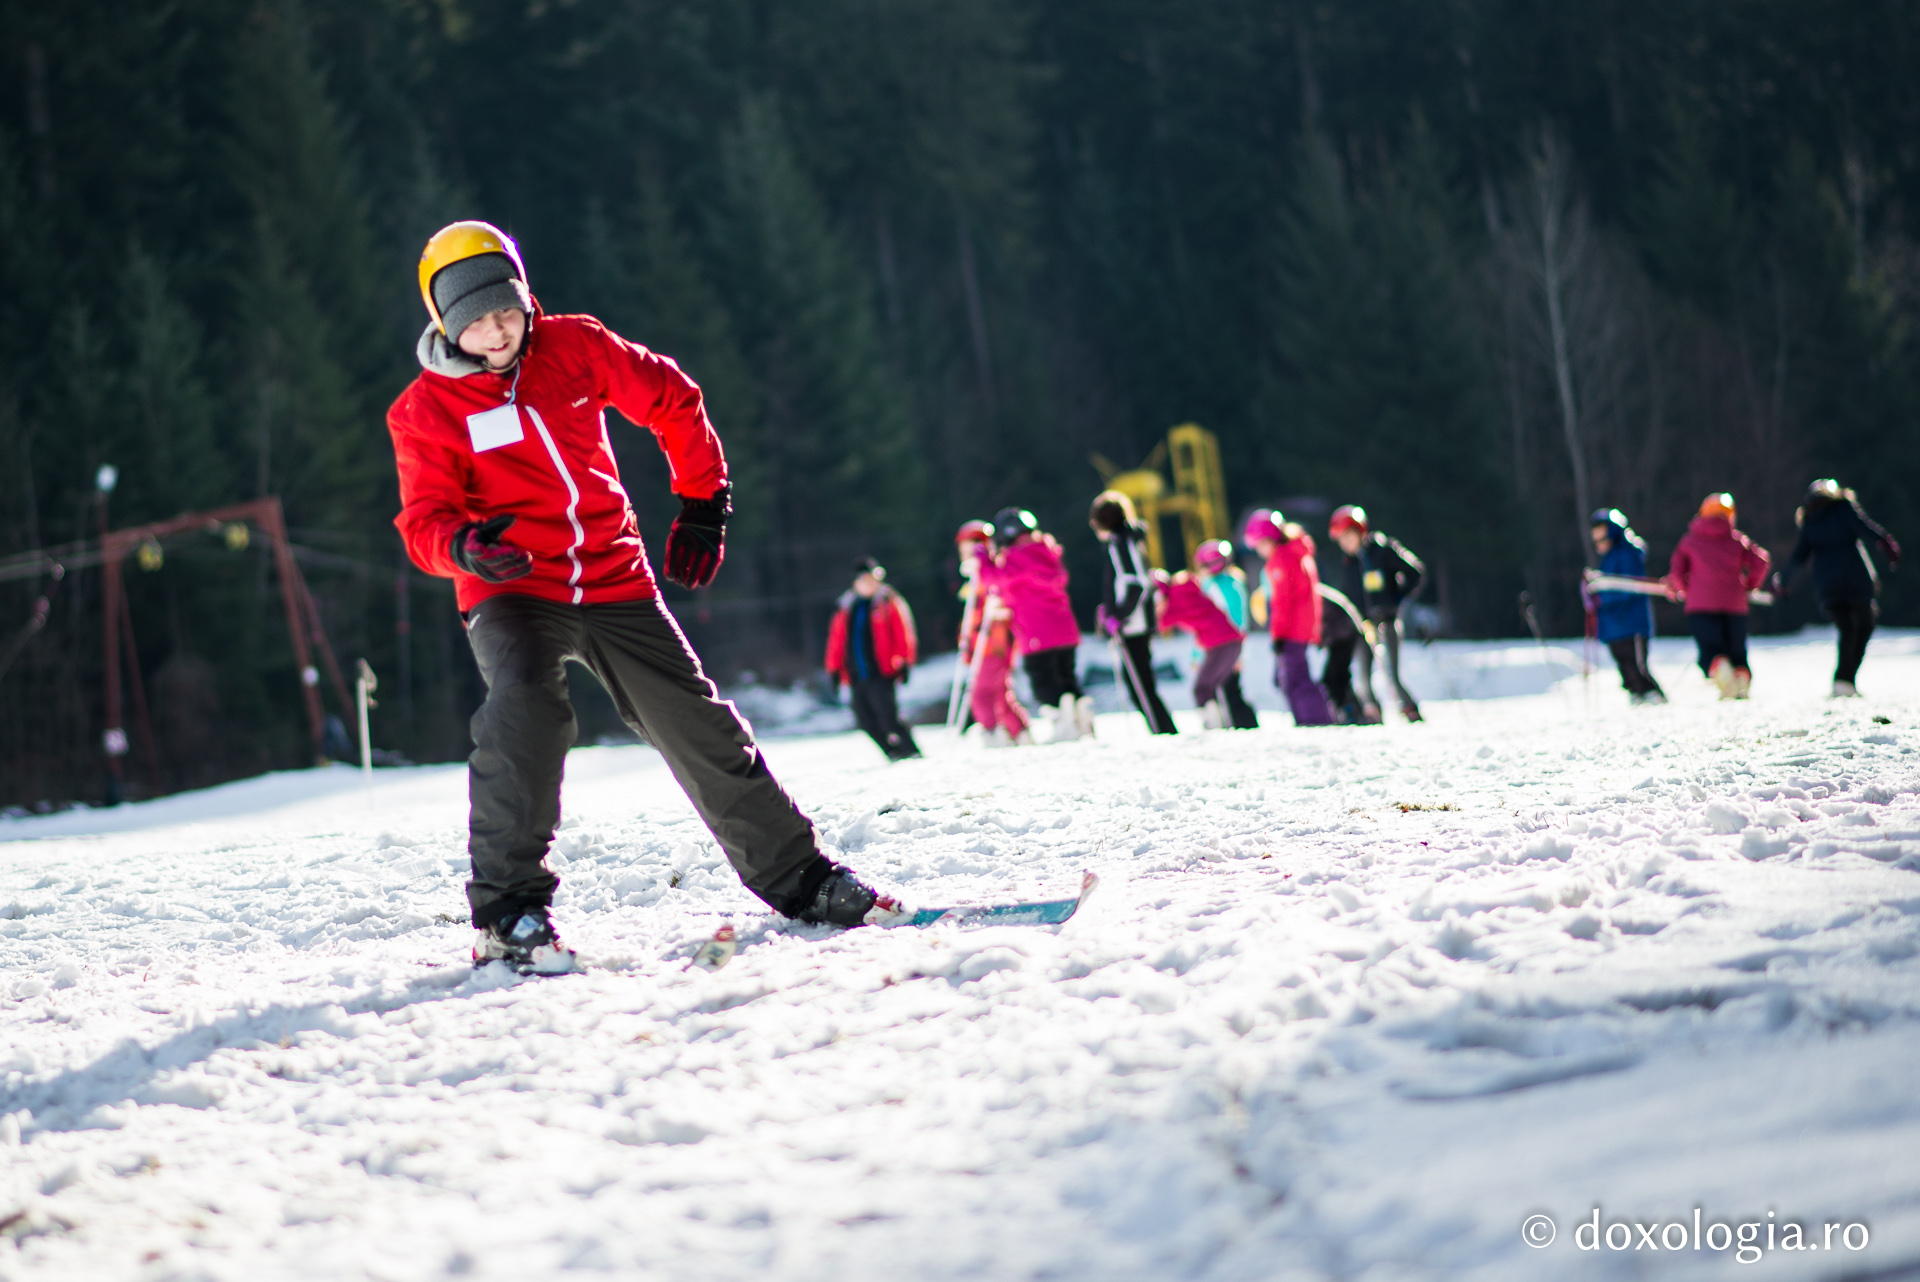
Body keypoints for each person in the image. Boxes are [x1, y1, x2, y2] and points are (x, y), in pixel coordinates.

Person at [388, 220, 894, 972]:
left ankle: (802, 879)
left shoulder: (575, 346)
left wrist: (702, 501)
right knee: (525, 710)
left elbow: (670, 397)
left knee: (695, 719)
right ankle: (507, 912)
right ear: (444, 322)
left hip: (613, 573)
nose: (496, 331)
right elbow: (423, 520)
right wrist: (463, 546)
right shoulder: (425, 410)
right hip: (513, 586)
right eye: (475, 320)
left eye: (505, 311)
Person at [978, 507, 1095, 742]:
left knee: (1043, 683)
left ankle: (1064, 725)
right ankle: (1082, 717)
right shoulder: (1046, 552)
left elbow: (992, 579)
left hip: (1037, 634)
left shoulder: (1018, 557)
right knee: (1066, 677)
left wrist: (983, 558)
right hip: (1065, 632)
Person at [1781, 479, 1901, 697]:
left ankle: (1844, 681)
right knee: (1865, 625)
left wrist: (1783, 582)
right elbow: (1865, 527)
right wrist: (1886, 543)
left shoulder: (1810, 521)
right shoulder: (1842, 508)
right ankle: (1845, 679)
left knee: (1847, 629)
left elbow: (1798, 557)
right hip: (1854, 579)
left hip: (1828, 585)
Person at [1667, 492, 1771, 699]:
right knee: (1737, 649)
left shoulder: (1690, 540)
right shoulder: (1737, 540)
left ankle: (1720, 668)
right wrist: (1750, 586)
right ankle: (1740, 679)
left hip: (1700, 605)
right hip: (1734, 604)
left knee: (1710, 648)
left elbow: (1676, 572)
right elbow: (1761, 561)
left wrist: (1686, 590)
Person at [1090, 491, 1177, 735]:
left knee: (1140, 687)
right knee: (1141, 685)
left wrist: (1118, 615)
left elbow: (1136, 584)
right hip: (1136, 622)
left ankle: (1164, 733)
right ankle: (1164, 731)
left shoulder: (1120, 544)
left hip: (1133, 625)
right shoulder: (1129, 541)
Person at [1328, 505, 1424, 722]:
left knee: (1391, 674)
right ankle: (1373, 715)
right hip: (1365, 627)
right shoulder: (1349, 564)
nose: (1345, 543)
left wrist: (1395, 600)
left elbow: (1415, 573)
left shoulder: (1382, 551)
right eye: (1341, 540)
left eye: (1348, 537)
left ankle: (1411, 711)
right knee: (1362, 678)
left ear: (1359, 531)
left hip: (1386, 623)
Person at [825, 558, 923, 761]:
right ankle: (892, 751)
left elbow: (903, 633)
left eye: (873, 580)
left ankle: (911, 752)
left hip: (881, 672)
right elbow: (836, 641)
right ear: (856, 583)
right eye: (865, 581)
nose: (870, 585)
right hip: (855, 674)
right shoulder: (845, 608)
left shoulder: (887, 602)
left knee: (888, 717)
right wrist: (834, 669)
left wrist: (904, 661)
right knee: (864, 720)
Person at [1247, 509, 1334, 726]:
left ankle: (1314, 722)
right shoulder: (1295, 553)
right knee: (1295, 678)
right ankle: (1313, 720)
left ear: (1268, 539)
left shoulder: (1281, 559)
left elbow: (1281, 601)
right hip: (1302, 626)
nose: (1259, 551)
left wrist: (1278, 635)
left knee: (1294, 680)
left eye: (1259, 544)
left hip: (1292, 629)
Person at [955, 521, 1031, 745]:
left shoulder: (988, 571)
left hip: (992, 645)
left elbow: (997, 604)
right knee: (1000, 694)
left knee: (981, 694)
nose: (963, 553)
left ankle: (994, 734)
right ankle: (1020, 735)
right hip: (984, 644)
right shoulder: (976, 575)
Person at [1587, 508, 1666, 705]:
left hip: (1631, 623)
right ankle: (1637, 697)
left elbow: (1628, 588)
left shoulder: (1627, 554)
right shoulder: (1608, 559)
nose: (1599, 543)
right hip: (1613, 626)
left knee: (1637, 667)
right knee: (1625, 667)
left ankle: (1655, 699)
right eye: (1596, 539)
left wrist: (1601, 591)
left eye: (1602, 538)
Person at [1154, 565, 1245, 729]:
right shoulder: (1182, 592)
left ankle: (1215, 727)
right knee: (1214, 686)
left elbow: (1158, 624)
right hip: (1226, 642)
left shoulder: (1176, 599)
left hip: (1222, 643)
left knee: (1203, 688)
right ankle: (1222, 725)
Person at [1189, 540, 1258, 728]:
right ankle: (1236, 725)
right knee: (1228, 689)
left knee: (1228, 690)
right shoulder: (1223, 584)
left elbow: (1236, 620)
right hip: (1222, 646)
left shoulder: (1220, 587)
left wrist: (1240, 654)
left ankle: (1241, 726)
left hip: (1224, 647)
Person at [1316, 582, 1376, 724]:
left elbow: (1319, 619)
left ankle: (1351, 713)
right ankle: (1351, 711)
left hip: (1343, 634)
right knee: (1336, 677)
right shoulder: (1318, 591)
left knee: (1335, 678)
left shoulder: (1311, 594)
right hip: (1345, 632)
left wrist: (1319, 638)